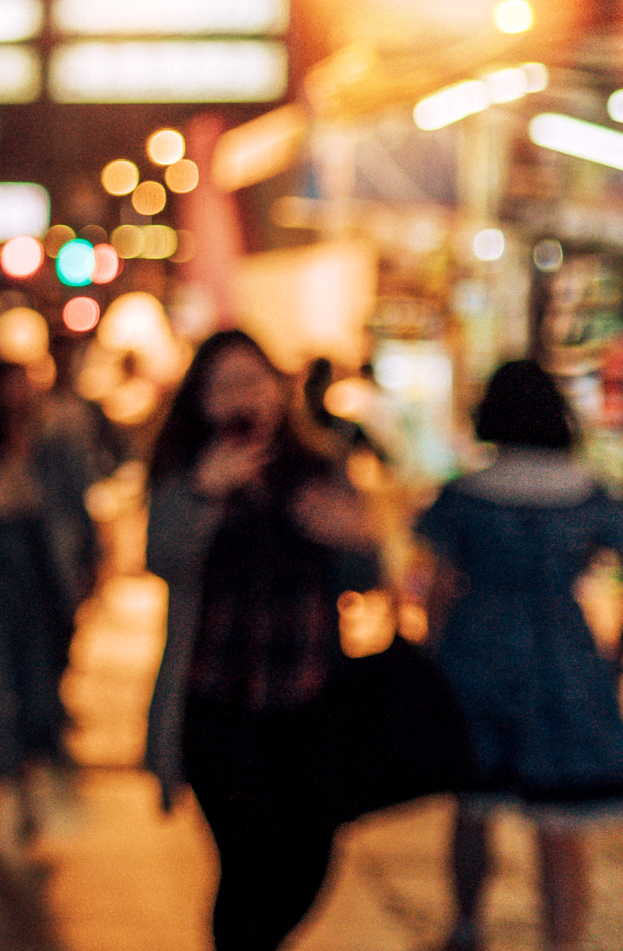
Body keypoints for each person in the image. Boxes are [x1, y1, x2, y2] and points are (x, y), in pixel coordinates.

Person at [414, 361, 623, 951]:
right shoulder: (586, 491)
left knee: (473, 802)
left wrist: (429, 662)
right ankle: (561, 941)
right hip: (563, 654)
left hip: (476, 649)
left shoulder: (467, 493)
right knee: (562, 818)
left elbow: (440, 586)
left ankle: (466, 926)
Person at [145, 331, 385, 951]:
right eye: (224, 386)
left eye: (254, 381)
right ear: (200, 401)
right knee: (248, 860)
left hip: (308, 701)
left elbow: (366, 574)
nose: (244, 397)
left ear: (280, 390)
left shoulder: (320, 465)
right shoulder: (184, 473)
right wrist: (204, 493)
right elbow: (160, 559)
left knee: (309, 860)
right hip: (217, 703)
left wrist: (357, 536)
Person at [0, 359, 105, 865]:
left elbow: (79, 518)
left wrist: (88, 576)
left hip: (46, 592)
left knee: (41, 701)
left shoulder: (55, 452)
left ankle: (29, 802)